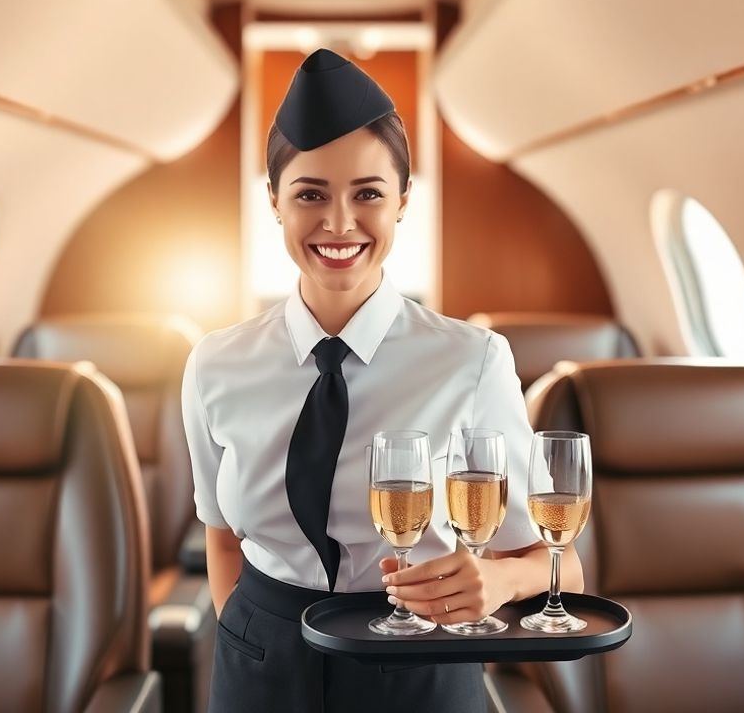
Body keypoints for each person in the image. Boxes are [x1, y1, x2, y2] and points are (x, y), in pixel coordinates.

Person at [181, 48, 583, 713]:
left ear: (401, 203)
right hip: (261, 667)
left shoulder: (473, 360)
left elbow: (562, 566)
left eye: (367, 193)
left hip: (420, 662)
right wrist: (247, 637)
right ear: (275, 203)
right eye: (310, 193)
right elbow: (222, 538)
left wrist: (499, 579)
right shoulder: (215, 364)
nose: (339, 224)